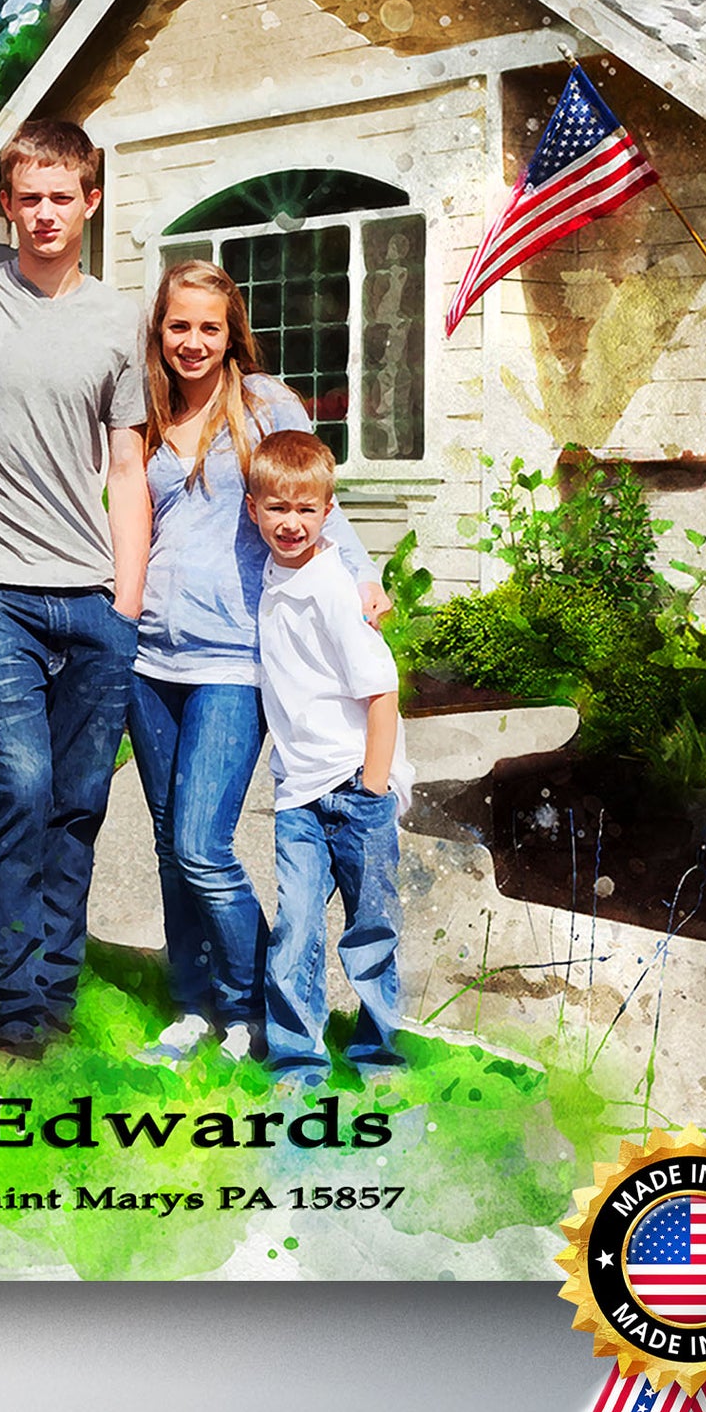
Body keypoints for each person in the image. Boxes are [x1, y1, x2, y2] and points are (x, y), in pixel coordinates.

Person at [127, 261, 385, 1068]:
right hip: (151, 656)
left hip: (235, 656)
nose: (193, 342)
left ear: (229, 328)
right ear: (160, 331)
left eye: (208, 326)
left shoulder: (266, 401)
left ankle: (256, 1002)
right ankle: (190, 1004)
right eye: (179, 326)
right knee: (172, 845)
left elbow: (315, 496)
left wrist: (364, 572)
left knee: (206, 843)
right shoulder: (145, 410)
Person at [0, 119, 149, 1059]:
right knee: (18, 789)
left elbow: (126, 459)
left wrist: (128, 599)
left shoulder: (119, 317)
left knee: (78, 802)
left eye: (60, 196)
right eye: (27, 196)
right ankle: (4, 1003)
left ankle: (54, 987)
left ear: (89, 202)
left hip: (95, 600)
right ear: (7, 204)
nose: (43, 213)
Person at [246, 430, 414, 1091]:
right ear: (252, 508)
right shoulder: (270, 570)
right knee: (296, 925)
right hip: (298, 795)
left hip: (353, 785)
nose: (291, 522)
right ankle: (296, 1058)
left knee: (370, 927)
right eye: (277, 508)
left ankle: (377, 1054)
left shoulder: (333, 588)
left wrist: (373, 787)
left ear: (328, 510)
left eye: (306, 510)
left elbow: (382, 689)